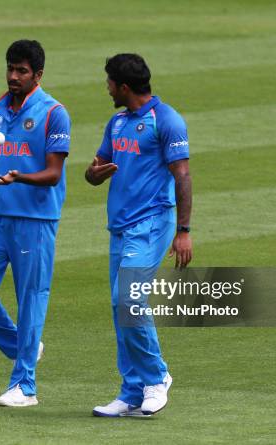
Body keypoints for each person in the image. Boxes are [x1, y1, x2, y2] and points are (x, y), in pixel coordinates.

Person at [0, 40, 71, 407]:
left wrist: (19, 178)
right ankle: (21, 346)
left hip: (34, 219)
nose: (13, 76)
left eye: (21, 71)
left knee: (30, 300)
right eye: (10, 68)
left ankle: (25, 385)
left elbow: (54, 173)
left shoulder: (54, 113)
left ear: (37, 75)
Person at [85, 53, 192, 417]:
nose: (107, 89)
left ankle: (157, 377)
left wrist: (184, 231)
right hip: (120, 228)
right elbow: (96, 168)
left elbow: (183, 176)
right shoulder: (117, 123)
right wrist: (94, 175)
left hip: (151, 224)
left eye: (110, 83)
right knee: (121, 308)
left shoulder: (166, 120)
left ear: (124, 86)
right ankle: (131, 390)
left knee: (128, 300)